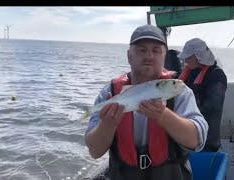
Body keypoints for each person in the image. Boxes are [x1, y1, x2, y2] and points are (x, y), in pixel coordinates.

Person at [84, 25, 208, 180]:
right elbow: (95, 151)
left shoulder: (179, 91)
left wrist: (163, 115)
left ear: (164, 57)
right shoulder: (110, 93)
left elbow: (197, 141)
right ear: (129, 56)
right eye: (142, 50)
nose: (149, 56)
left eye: (156, 50)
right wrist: (107, 125)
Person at [177, 38, 227, 152]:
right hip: (186, 137)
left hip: (207, 141)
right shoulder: (190, 72)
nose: (186, 62)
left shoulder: (217, 76)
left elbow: (212, 107)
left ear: (199, 56)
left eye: (189, 57)